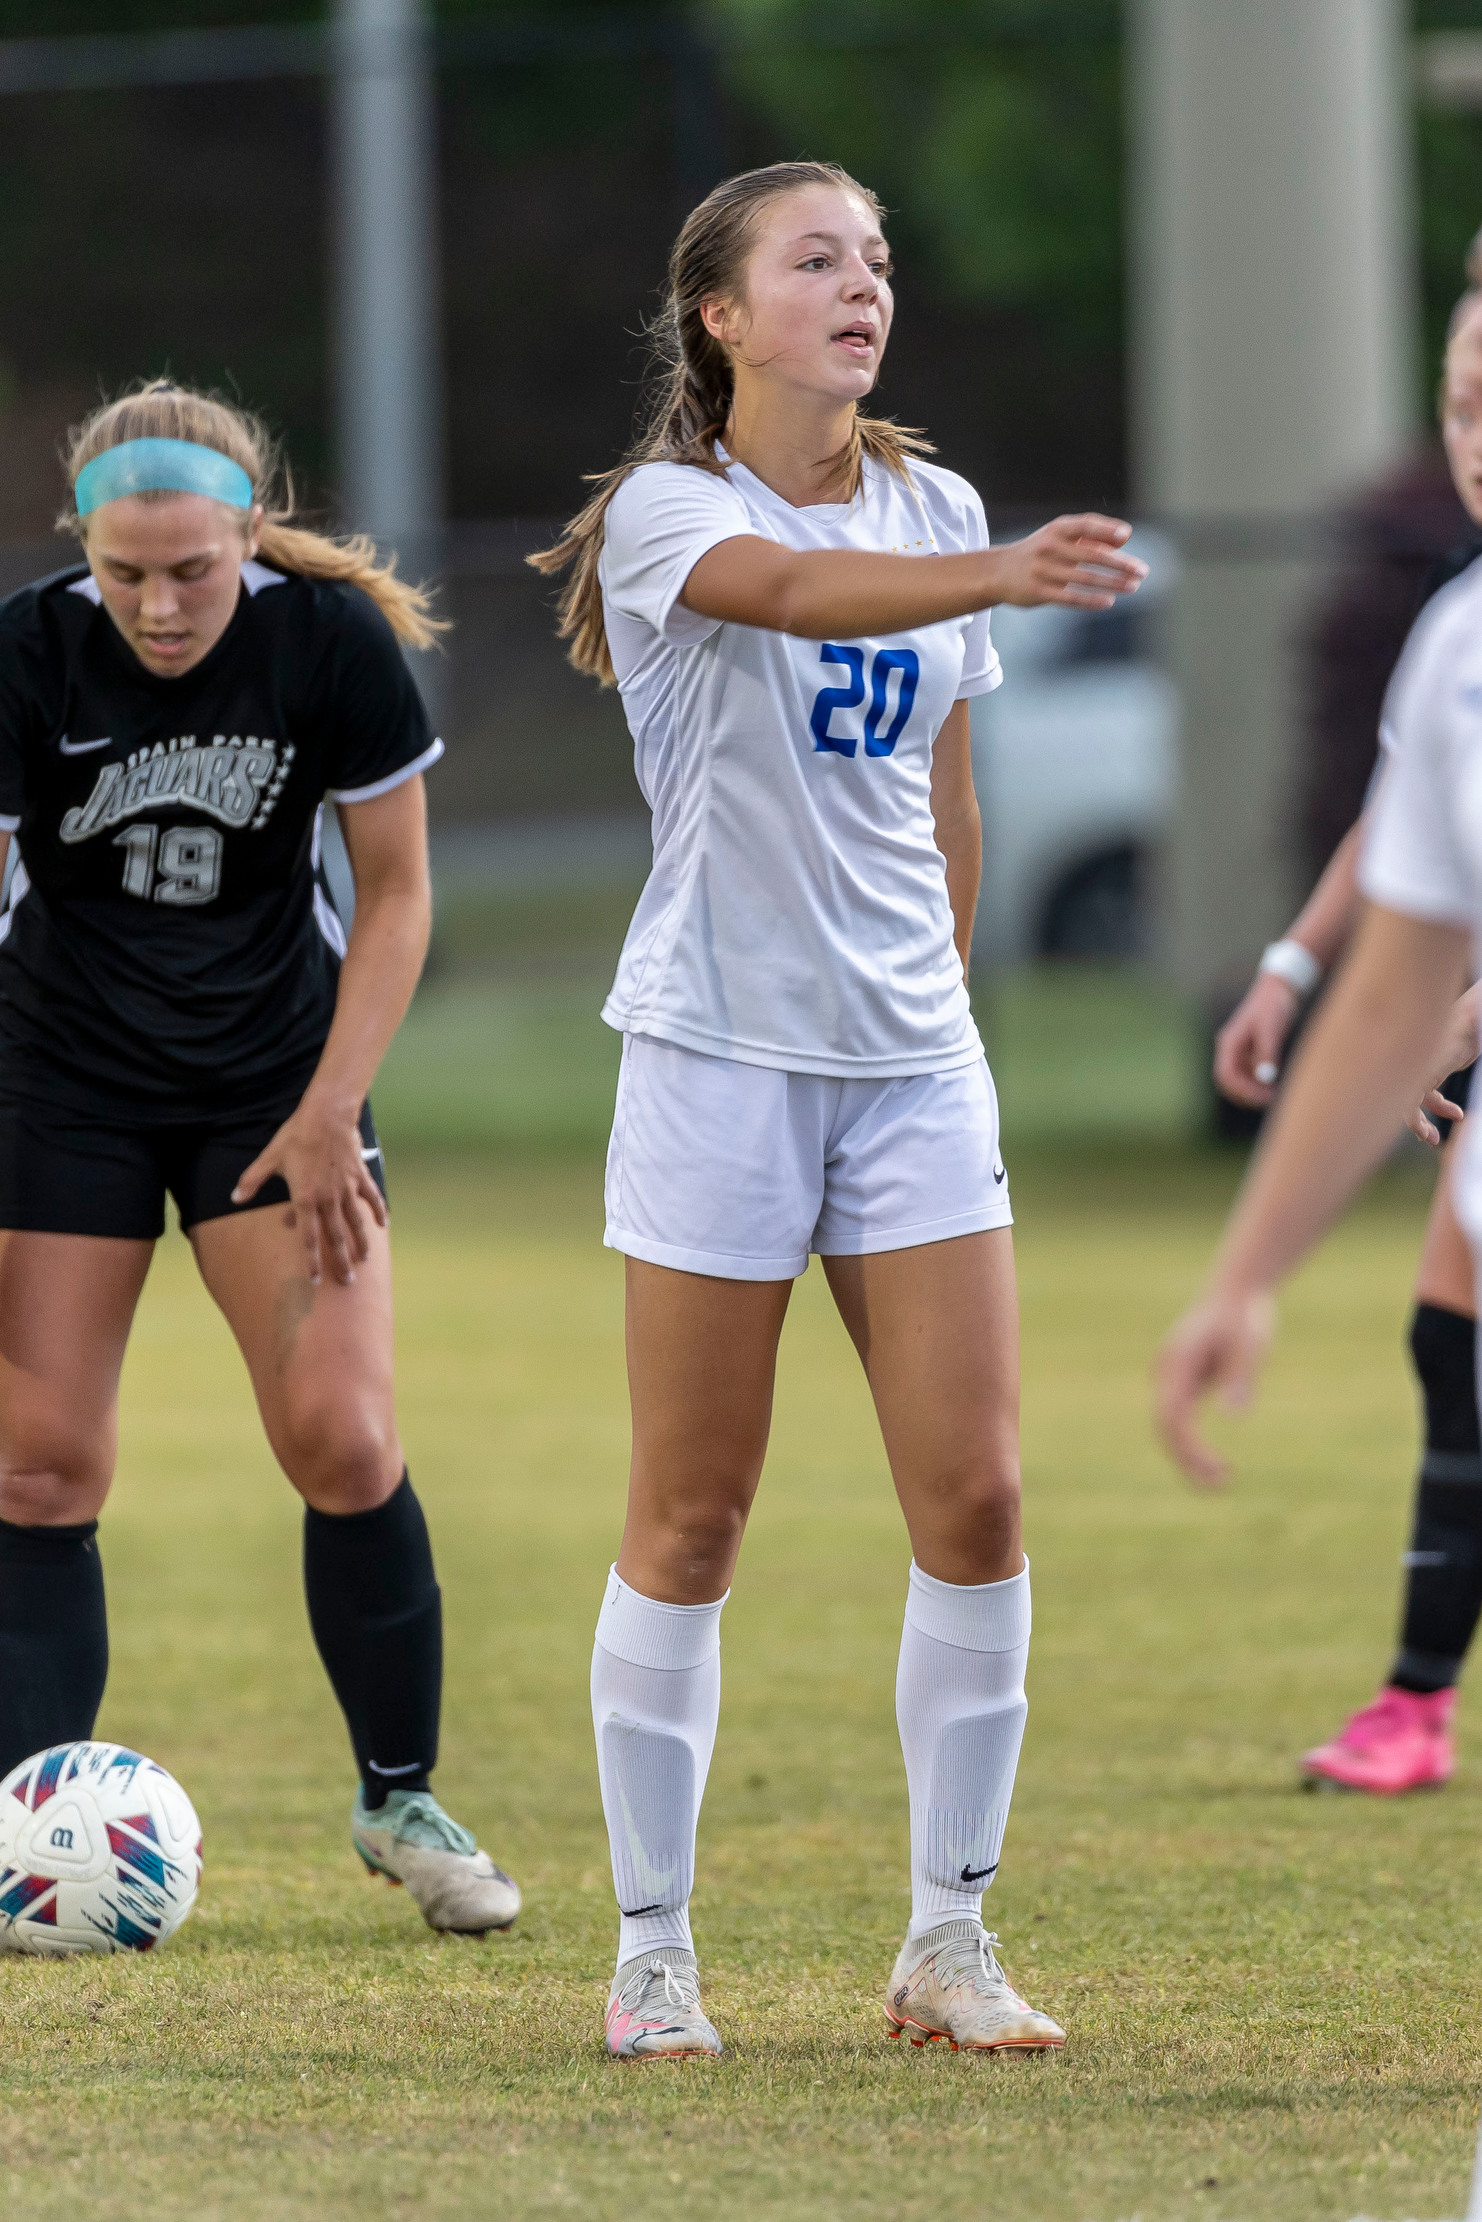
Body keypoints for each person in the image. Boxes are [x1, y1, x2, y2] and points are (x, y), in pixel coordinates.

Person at [532, 159, 1146, 2059]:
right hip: (716, 1055)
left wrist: (937, 1011)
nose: (861, 285)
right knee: (693, 1515)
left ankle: (944, 1942)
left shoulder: (933, 498)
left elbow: (943, 804)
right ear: (720, 313)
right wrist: (1004, 572)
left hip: (909, 1069)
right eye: (816, 260)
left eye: (876, 257)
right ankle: (653, 1953)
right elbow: (795, 594)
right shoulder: (663, 512)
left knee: (977, 1496)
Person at [0, 382, 519, 1936]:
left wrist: (328, 1108)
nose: (158, 604)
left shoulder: (328, 645)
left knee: (344, 1437)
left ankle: (399, 1797)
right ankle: (30, 1827)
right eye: (124, 571)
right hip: (62, 1081)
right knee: (38, 1462)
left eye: (193, 571)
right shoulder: (26, 649)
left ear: (249, 536)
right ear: (83, 545)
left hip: (273, 1089)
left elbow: (401, 895)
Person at [1209, 296, 1482, 1794]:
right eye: (1458, 399)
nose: (1475, 436)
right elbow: (1411, 832)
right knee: (1452, 1337)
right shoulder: (1457, 628)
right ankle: (1415, 1699)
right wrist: (1298, 962)